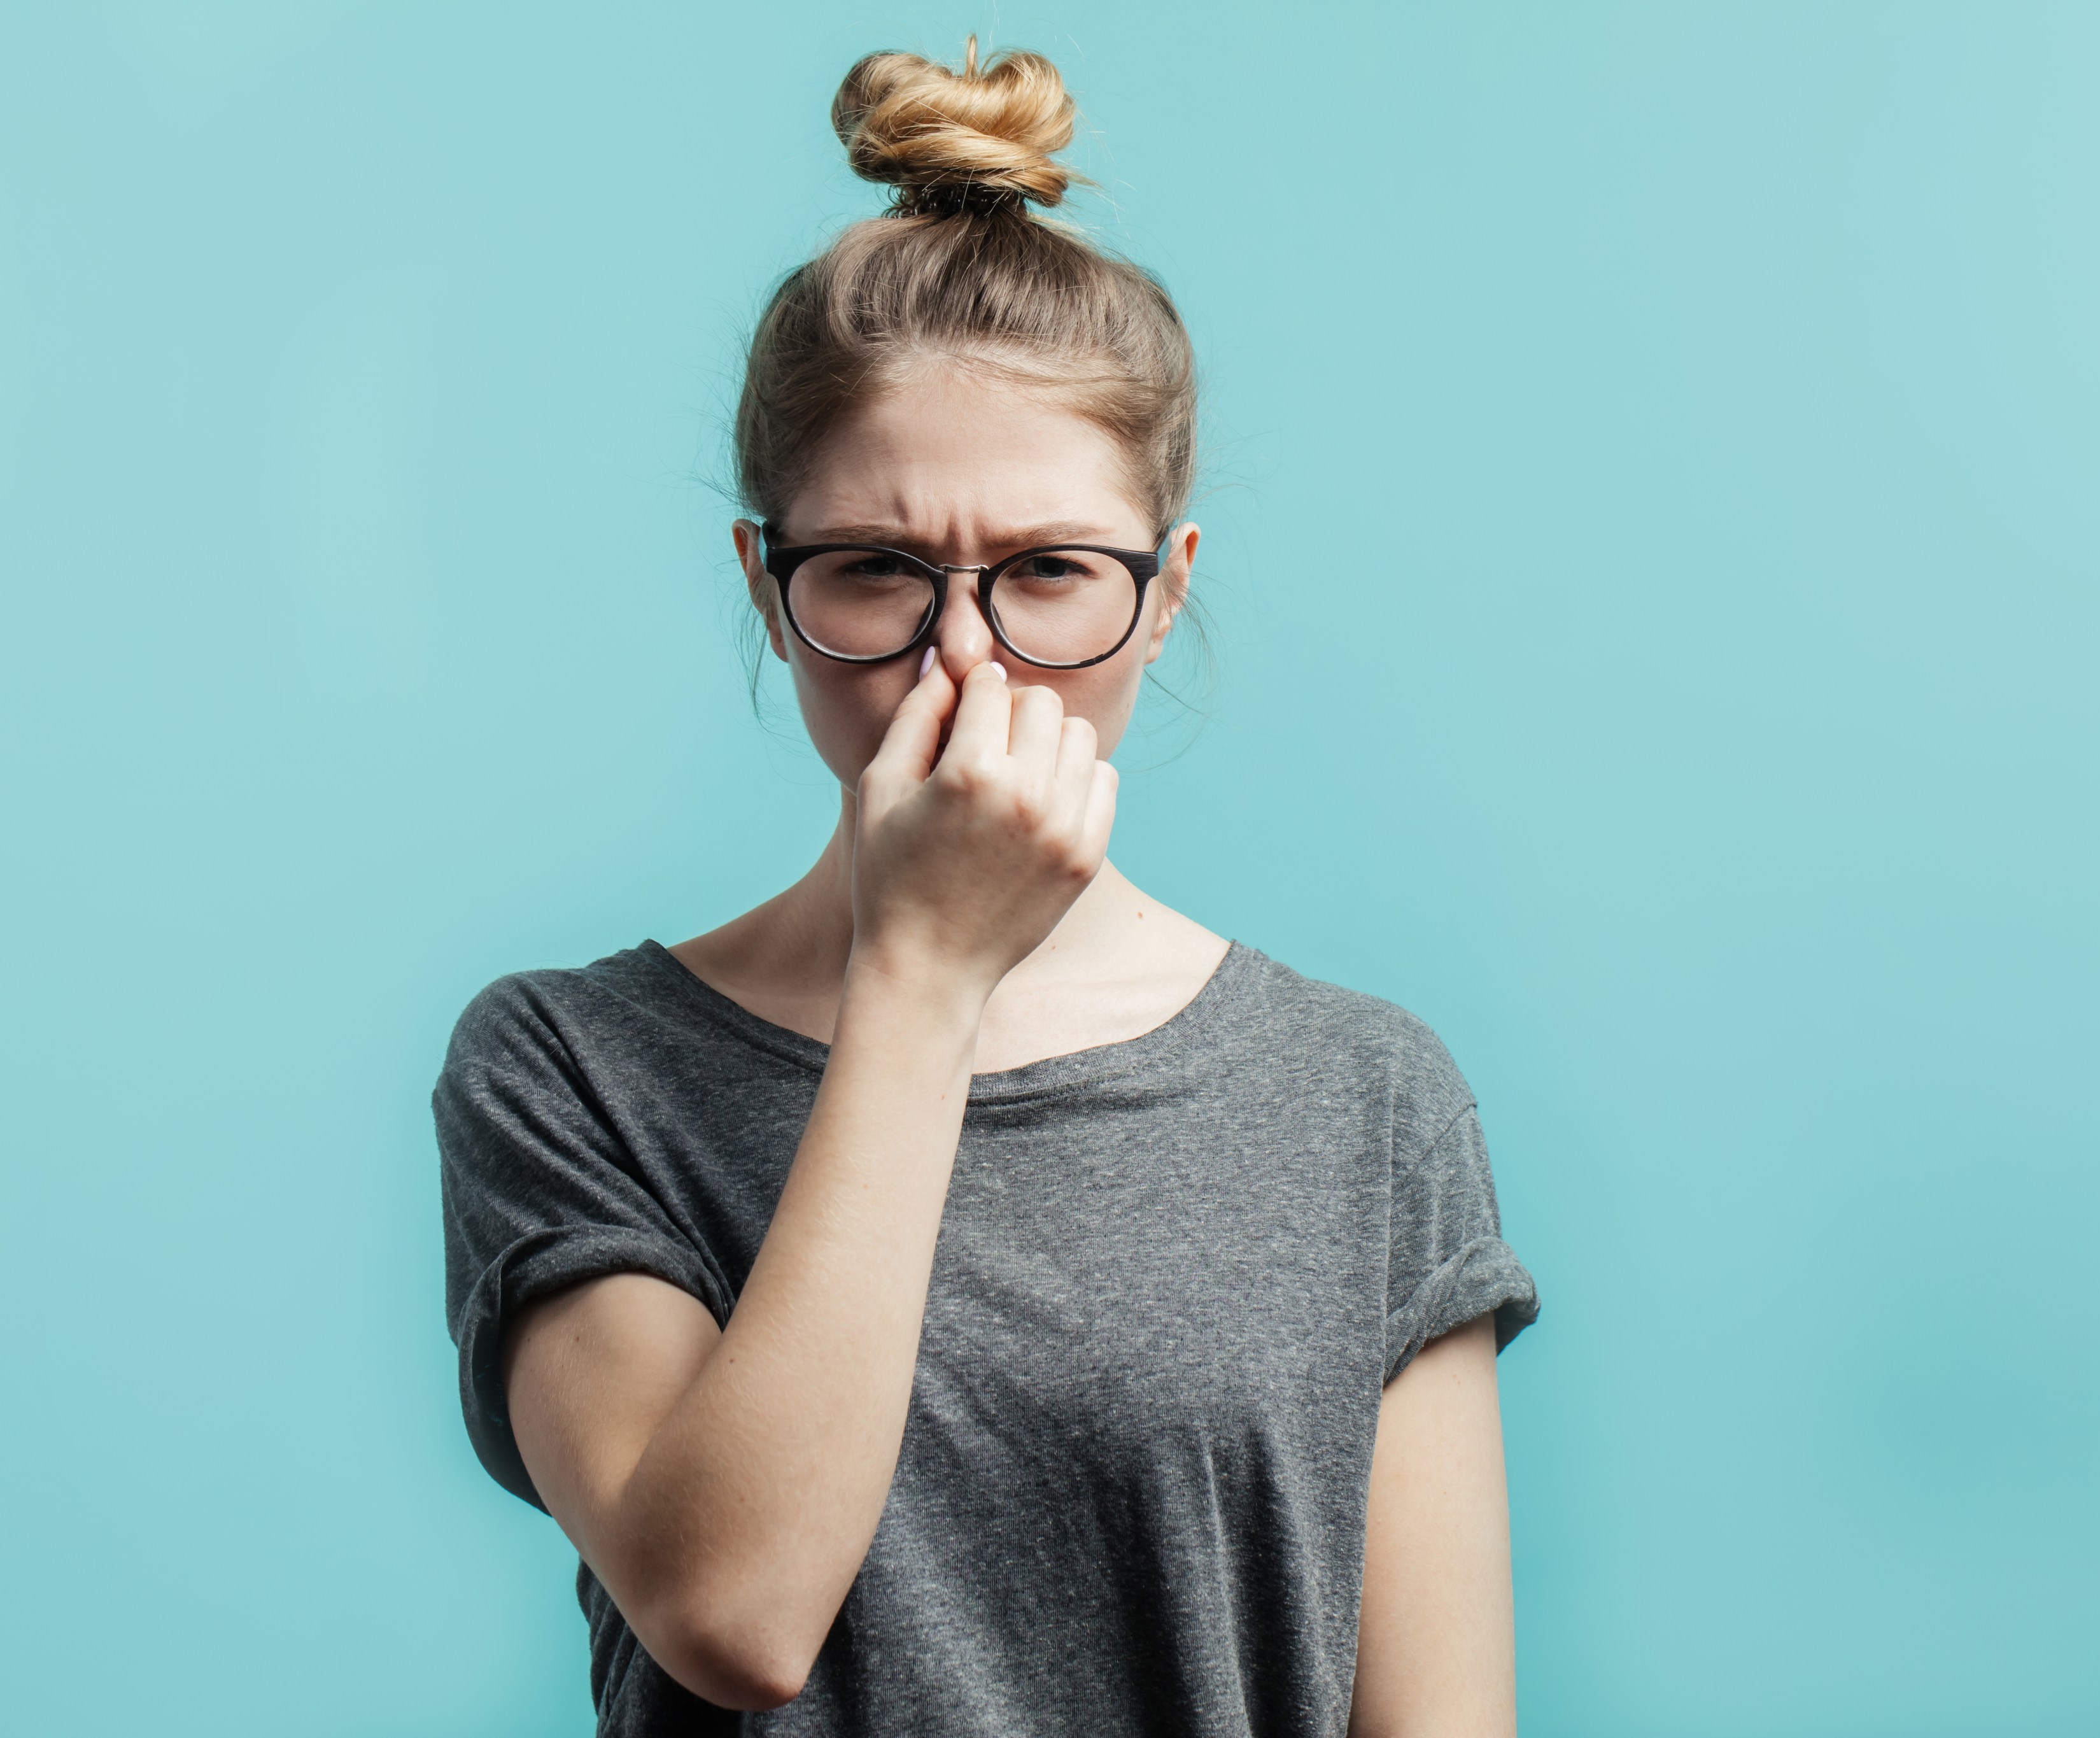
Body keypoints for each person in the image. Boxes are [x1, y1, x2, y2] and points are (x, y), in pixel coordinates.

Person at [435, 39, 1537, 1737]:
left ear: (1164, 593)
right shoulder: (572, 1069)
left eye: (1047, 574)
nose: (965, 657)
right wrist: (923, 974)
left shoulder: (1364, 1097)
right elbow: (731, 1609)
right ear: (763, 574)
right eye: (875, 568)